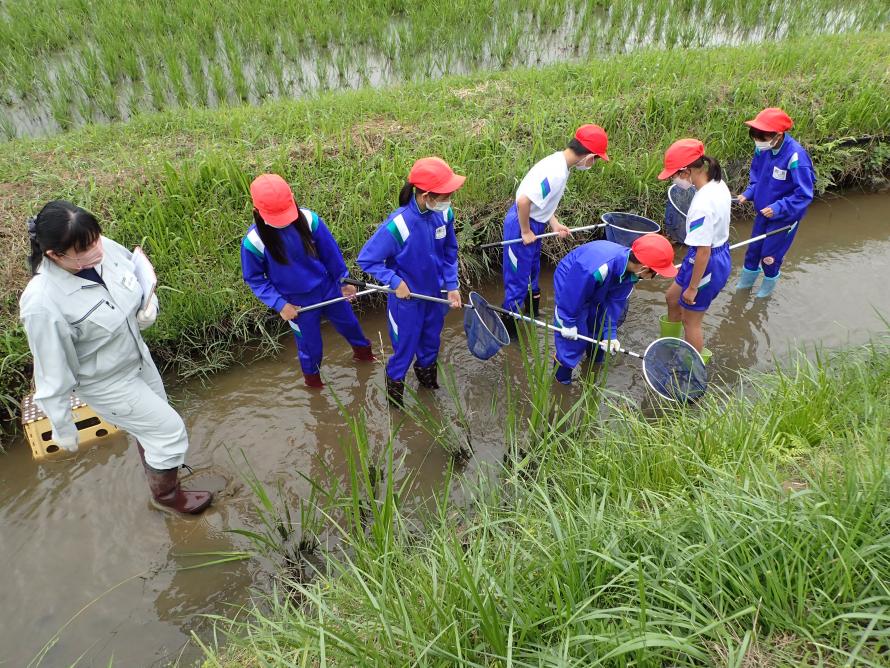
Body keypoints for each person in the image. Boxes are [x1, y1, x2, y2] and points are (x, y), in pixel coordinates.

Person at [19, 201, 212, 515]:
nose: (97, 251)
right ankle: (166, 498)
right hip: (106, 380)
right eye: (84, 249)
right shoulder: (42, 301)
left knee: (154, 425)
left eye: (96, 239)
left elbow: (136, 276)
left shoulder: (99, 247)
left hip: (135, 355)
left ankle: (162, 469)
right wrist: (62, 426)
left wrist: (147, 308)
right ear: (55, 255)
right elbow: (51, 369)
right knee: (169, 431)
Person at [241, 174, 374, 388]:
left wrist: (343, 281)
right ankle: (314, 386)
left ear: (293, 199)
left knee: (351, 327)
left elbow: (332, 255)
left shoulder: (310, 220)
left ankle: (366, 359)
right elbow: (255, 279)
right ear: (256, 212)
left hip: (328, 288)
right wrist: (280, 304)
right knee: (310, 348)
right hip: (296, 303)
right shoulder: (254, 242)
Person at [357, 157, 464, 407]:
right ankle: (396, 406)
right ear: (427, 196)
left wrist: (452, 285)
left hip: (435, 296)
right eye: (446, 194)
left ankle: (429, 388)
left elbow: (450, 251)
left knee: (431, 344)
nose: (449, 200)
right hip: (406, 301)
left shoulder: (444, 213)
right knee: (404, 351)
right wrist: (395, 281)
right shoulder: (399, 224)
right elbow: (367, 260)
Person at [501, 124, 609, 333]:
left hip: (536, 223)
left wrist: (554, 223)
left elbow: (542, 201)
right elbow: (524, 201)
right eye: (595, 159)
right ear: (588, 156)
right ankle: (511, 333)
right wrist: (525, 231)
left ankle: (533, 318)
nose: (593, 163)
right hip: (521, 223)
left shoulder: (562, 164)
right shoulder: (556, 173)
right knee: (517, 281)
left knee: (533, 271)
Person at [553, 234, 677, 384]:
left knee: (598, 332)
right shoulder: (597, 268)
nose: (655, 277)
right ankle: (561, 383)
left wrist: (610, 335)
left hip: (602, 281)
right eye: (655, 273)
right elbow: (573, 294)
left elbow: (614, 304)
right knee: (574, 338)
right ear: (644, 268)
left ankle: (593, 368)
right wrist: (567, 321)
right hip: (573, 280)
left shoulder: (631, 274)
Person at [657, 139, 732, 362]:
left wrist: (692, 288)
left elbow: (703, 252)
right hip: (707, 254)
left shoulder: (702, 205)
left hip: (708, 261)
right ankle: (669, 349)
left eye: (674, 174)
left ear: (687, 171)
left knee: (691, 321)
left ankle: (692, 372)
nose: (673, 179)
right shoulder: (717, 183)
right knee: (672, 297)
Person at [735, 107, 815, 298]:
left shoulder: (796, 157)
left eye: (761, 136)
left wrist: (779, 207)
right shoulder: (762, 148)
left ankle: (765, 292)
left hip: (784, 218)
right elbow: (757, 177)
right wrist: (749, 192)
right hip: (763, 211)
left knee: (769, 257)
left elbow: (804, 194)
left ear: (778, 135)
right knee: (753, 251)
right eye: (754, 135)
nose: (757, 140)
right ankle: (744, 287)